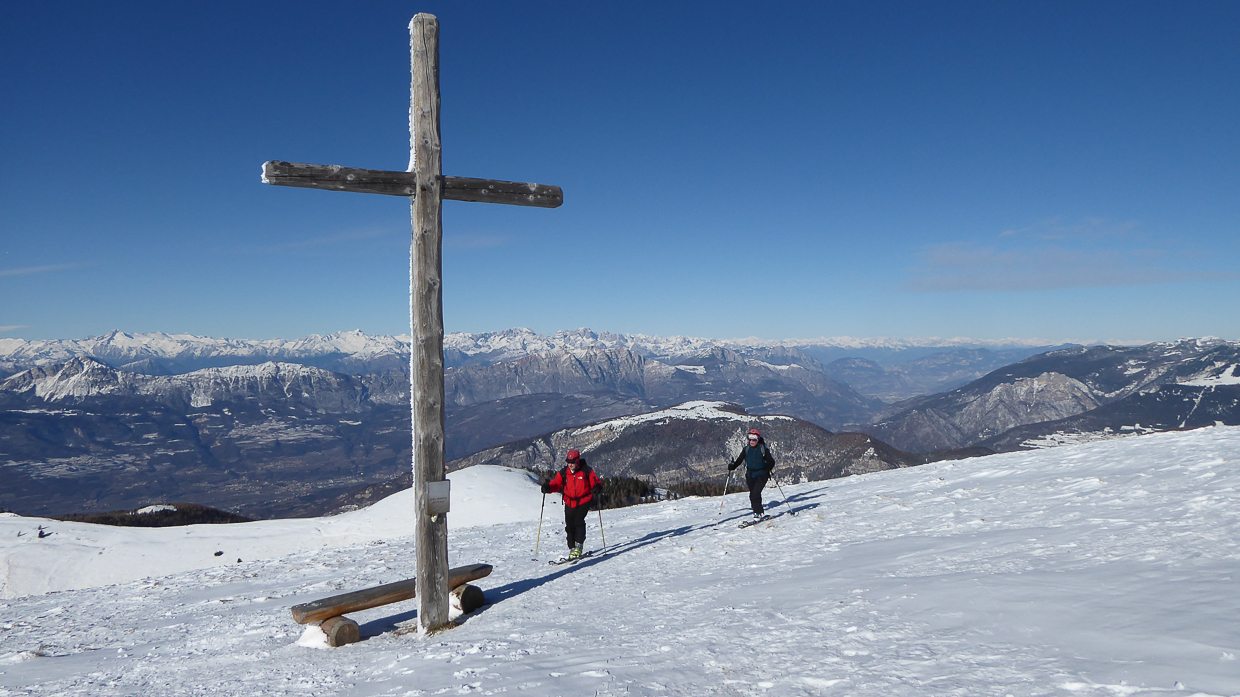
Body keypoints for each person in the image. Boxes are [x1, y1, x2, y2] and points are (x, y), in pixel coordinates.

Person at [542, 449, 603, 560]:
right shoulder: (564, 472)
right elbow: (556, 483)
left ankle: (579, 545)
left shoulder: (586, 470)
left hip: (584, 500)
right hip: (569, 501)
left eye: (573, 462)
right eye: (569, 462)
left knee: (578, 521)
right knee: (569, 525)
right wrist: (548, 488)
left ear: (578, 461)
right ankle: (572, 547)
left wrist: (597, 487)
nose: (570, 464)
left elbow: (595, 481)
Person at [728, 428, 775, 521]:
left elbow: (771, 462)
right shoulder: (746, 449)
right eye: (750, 439)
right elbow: (739, 460)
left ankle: (757, 513)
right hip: (750, 475)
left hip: (761, 475)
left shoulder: (763, 449)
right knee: (753, 495)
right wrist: (733, 466)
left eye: (754, 439)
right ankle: (758, 512)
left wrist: (767, 468)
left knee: (755, 494)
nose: (752, 441)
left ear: (758, 439)